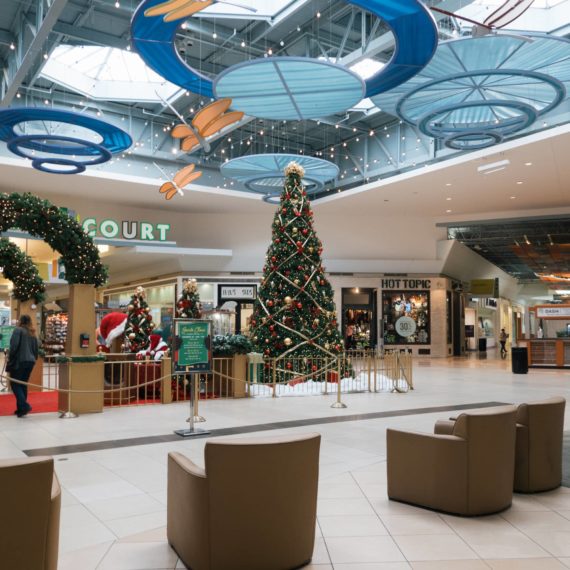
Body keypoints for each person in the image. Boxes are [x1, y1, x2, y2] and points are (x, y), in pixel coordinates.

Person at [7, 315, 39, 418]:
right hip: (30, 361)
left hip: (20, 361)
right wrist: (33, 359)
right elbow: (36, 348)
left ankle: (24, 406)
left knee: (15, 384)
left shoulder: (18, 330)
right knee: (23, 384)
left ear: (20, 321)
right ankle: (21, 409)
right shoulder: (33, 332)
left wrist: (10, 357)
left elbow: (14, 346)